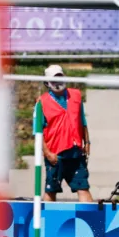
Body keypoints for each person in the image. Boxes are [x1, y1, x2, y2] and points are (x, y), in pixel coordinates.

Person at [37, 64, 93, 202]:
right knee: (51, 190)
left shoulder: (76, 95)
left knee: (83, 188)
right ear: (47, 83)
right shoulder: (41, 102)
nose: (57, 83)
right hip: (55, 154)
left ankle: (91, 220)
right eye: (53, 80)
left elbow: (83, 122)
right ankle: (46, 221)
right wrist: (47, 153)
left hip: (75, 152)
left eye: (60, 78)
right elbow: (38, 132)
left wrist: (87, 142)